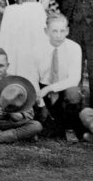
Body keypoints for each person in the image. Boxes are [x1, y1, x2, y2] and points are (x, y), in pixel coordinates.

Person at [34, 12, 83, 141]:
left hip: (62, 88)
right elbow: (32, 78)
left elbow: (74, 79)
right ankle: (41, 123)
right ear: (46, 31)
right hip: (41, 90)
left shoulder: (74, 48)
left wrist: (50, 89)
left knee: (74, 92)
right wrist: (41, 104)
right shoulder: (37, 48)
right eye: (54, 31)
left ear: (67, 31)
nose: (59, 35)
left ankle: (69, 128)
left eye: (62, 31)